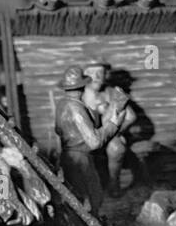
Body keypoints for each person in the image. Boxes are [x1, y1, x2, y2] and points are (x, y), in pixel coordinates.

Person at [52, 65, 107, 216]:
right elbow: (94, 142)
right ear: (82, 87)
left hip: (67, 156)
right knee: (92, 196)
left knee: (77, 195)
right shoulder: (77, 108)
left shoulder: (61, 104)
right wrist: (111, 126)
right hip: (81, 158)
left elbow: (58, 130)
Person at [79, 61, 136, 195]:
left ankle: (113, 184)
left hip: (107, 135)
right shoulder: (79, 95)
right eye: (92, 73)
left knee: (117, 147)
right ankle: (88, 189)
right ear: (85, 76)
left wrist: (116, 131)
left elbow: (131, 116)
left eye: (100, 73)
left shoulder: (111, 92)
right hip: (86, 136)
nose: (97, 77)